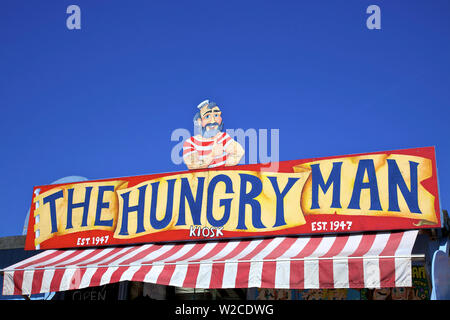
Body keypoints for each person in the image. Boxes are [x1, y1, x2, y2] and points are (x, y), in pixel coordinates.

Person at [182, 100, 244, 170]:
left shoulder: (223, 137)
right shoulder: (190, 142)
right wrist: (212, 154)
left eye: (216, 115)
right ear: (199, 121)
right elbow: (192, 165)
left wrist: (225, 169)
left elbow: (239, 152)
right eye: (207, 116)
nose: (213, 121)